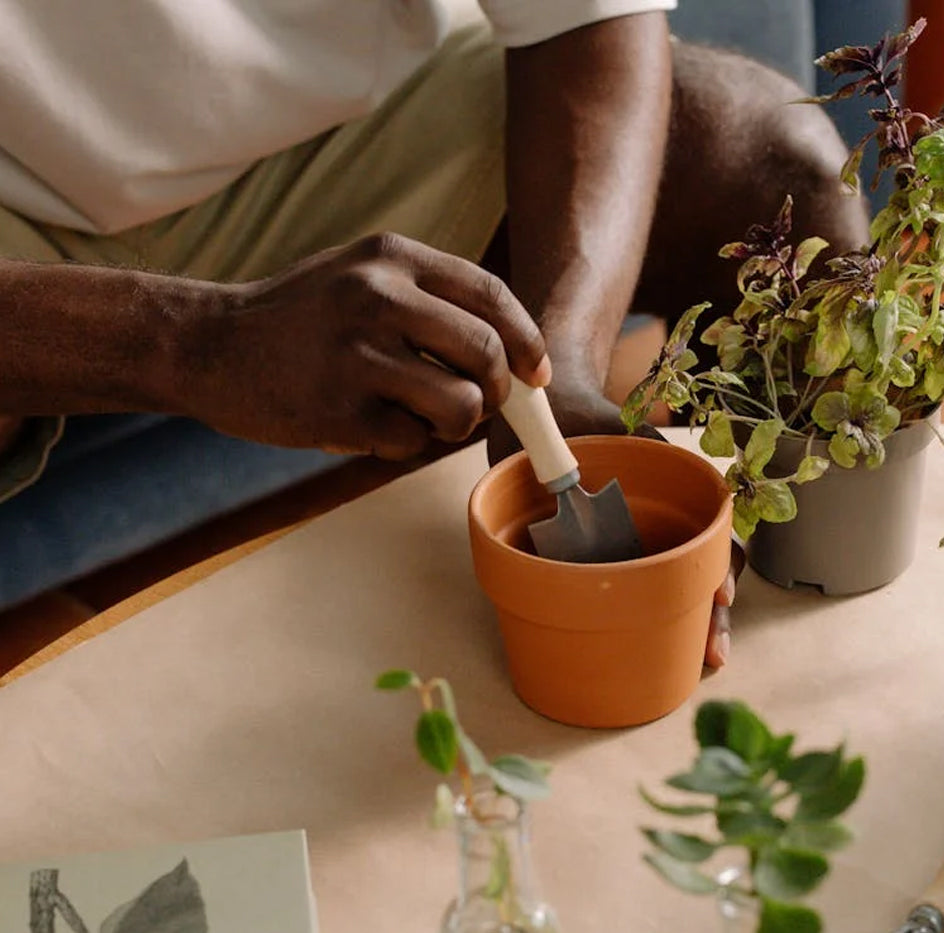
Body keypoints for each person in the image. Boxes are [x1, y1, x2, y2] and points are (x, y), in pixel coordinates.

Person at [0, 1, 869, 665]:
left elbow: (585, 18)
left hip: (345, 116)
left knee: (779, 172)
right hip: (18, 194)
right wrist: (195, 342)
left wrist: (557, 357)